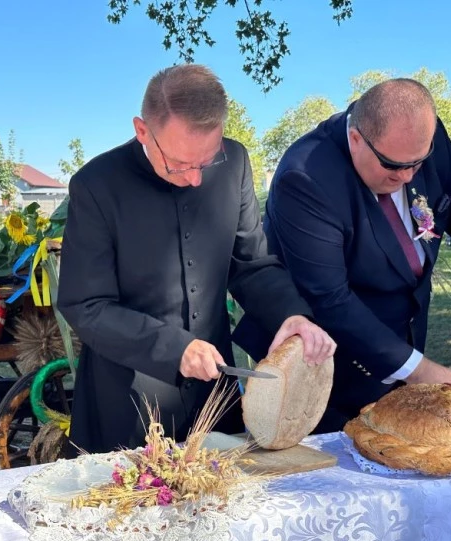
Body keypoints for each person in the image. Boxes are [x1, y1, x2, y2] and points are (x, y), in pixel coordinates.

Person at [233, 78, 451, 431]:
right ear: (357, 138)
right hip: (324, 365)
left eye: (417, 164)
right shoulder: (306, 177)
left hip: (402, 342)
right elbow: (329, 298)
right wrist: (417, 369)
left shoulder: (423, 137)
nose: (408, 177)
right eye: (393, 166)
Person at [58, 64, 336, 454]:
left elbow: (252, 264)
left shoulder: (235, 161)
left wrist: (291, 314)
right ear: (142, 131)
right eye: (179, 164)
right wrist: (174, 348)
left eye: (206, 162)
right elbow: (85, 305)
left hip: (215, 395)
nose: (195, 180)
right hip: (128, 399)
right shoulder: (96, 184)